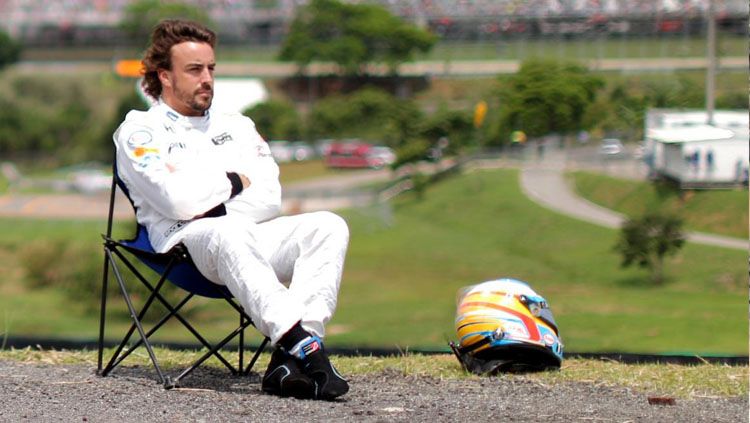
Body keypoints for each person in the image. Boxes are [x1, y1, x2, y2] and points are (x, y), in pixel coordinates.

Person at [113, 19, 350, 400]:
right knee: (228, 231)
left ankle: (288, 361)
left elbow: (270, 197)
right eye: (194, 69)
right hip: (183, 246)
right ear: (165, 76)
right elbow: (176, 202)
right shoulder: (140, 131)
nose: (206, 78)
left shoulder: (237, 125)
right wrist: (236, 180)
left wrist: (204, 194)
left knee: (327, 225)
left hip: (246, 237)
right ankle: (310, 352)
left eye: (211, 68)